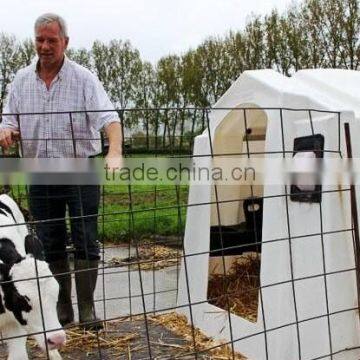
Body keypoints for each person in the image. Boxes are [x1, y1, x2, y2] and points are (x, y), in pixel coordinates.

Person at [0, 13, 122, 330]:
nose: (45, 46)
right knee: (49, 241)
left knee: (86, 238)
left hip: (80, 170)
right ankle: (63, 307)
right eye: (40, 39)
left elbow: (110, 118)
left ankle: (88, 308)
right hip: (40, 174)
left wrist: (115, 150)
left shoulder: (84, 79)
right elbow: (8, 122)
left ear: (65, 42)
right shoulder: (21, 81)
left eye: (51, 40)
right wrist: (6, 132)